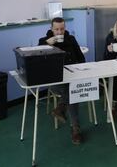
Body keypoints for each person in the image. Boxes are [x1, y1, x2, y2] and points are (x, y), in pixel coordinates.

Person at [38, 17, 85, 145]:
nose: (59, 32)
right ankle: (75, 128)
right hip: (54, 81)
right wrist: (48, 44)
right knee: (71, 90)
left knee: (71, 88)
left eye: (62, 29)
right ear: (51, 29)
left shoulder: (71, 39)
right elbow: (37, 59)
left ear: (65, 28)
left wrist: (79, 70)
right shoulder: (43, 41)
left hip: (72, 77)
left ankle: (61, 107)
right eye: (57, 29)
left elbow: (81, 58)